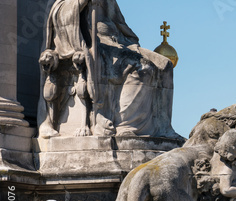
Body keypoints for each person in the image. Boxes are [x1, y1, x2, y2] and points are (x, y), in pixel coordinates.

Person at [39, 0, 177, 138]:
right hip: (98, 47)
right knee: (143, 69)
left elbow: (121, 24)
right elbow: (60, 15)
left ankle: (163, 128)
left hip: (120, 44)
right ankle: (126, 126)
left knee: (165, 64)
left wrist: (130, 43)